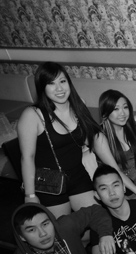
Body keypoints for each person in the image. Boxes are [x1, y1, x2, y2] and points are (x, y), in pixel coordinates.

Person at [17, 62, 100, 217]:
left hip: (78, 175)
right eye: (51, 84)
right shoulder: (32, 115)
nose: (59, 88)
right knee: (63, 228)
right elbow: (27, 157)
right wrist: (30, 195)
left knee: (99, 220)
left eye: (62, 81)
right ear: (42, 87)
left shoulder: (78, 105)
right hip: (50, 182)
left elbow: (91, 137)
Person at [96, 90, 136, 201]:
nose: (122, 113)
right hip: (117, 186)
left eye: (125, 107)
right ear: (105, 113)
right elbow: (115, 171)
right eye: (116, 109)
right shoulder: (100, 137)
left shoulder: (131, 128)